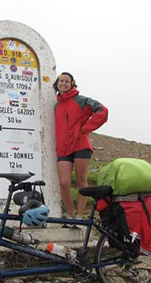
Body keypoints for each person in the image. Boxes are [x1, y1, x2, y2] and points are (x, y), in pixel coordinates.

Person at [53, 72, 108, 228]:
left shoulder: (81, 100)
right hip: (63, 148)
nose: (63, 83)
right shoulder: (57, 105)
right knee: (64, 182)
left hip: (80, 145)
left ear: (72, 84)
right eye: (61, 81)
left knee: (81, 181)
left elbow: (102, 111)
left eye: (67, 81)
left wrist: (86, 128)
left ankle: (79, 216)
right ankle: (70, 216)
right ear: (57, 84)